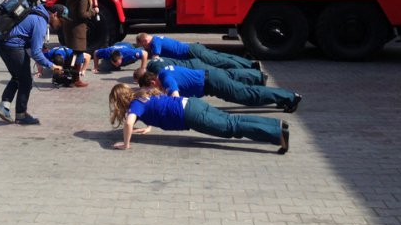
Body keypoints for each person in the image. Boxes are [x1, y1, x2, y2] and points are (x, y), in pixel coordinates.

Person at [109, 84, 289, 154]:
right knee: (232, 119)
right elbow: (155, 108)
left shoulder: (135, 106)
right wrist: (148, 127)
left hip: (191, 115)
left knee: (230, 128)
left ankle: (277, 134)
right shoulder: (141, 96)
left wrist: (126, 144)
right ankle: (276, 125)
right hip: (192, 103)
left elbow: (128, 122)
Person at [0, 3, 70, 125]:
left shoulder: (35, 13)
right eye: (61, 21)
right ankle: (21, 115)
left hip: (4, 46)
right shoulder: (40, 21)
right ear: (54, 15)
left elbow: (24, 32)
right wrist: (52, 66)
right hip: (14, 48)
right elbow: (36, 53)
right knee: (26, 81)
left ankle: (4, 108)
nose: (60, 25)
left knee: (17, 77)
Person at [135, 64, 302, 112]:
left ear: (151, 83)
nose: (150, 93)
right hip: (210, 75)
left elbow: (176, 99)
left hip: (213, 84)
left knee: (248, 96)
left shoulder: (166, 79)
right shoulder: (164, 71)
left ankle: (290, 97)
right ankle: (281, 96)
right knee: (244, 89)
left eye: (148, 90)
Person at [135, 33, 259, 70]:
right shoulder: (157, 37)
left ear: (145, 41)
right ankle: (250, 64)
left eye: (143, 46)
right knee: (221, 57)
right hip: (193, 49)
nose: (145, 49)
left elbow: (156, 59)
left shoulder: (155, 43)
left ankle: (249, 68)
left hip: (192, 52)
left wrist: (144, 71)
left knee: (220, 62)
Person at [62, 0, 98, 87]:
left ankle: (70, 76)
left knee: (74, 52)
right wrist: (93, 11)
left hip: (69, 26)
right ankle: (76, 79)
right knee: (79, 53)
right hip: (78, 28)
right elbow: (82, 14)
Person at [146, 56, 266, 86]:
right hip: (193, 64)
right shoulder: (155, 62)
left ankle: (257, 76)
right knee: (223, 65)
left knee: (226, 74)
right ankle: (254, 72)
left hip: (196, 69)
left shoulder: (157, 70)